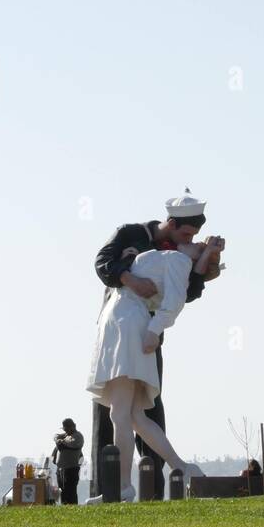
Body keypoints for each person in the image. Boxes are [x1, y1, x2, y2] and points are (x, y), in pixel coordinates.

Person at [87, 198, 223, 503]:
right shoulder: (157, 249)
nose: (188, 243)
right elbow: (103, 262)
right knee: (134, 414)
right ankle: (181, 468)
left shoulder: (177, 260)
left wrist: (153, 331)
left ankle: (122, 488)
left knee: (121, 413)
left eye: (192, 243)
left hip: (130, 326)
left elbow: (176, 301)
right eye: (187, 237)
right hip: (122, 325)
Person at [51, 419, 85, 505]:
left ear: (73, 426)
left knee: (70, 492)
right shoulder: (66, 435)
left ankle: (72, 509)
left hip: (71, 469)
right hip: (61, 469)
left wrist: (60, 441)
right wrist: (57, 439)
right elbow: (55, 436)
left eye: (67, 428)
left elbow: (68, 445)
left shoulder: (78, 436)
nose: (65, 431)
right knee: (63, 492)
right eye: (64, 429)